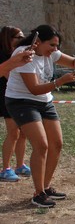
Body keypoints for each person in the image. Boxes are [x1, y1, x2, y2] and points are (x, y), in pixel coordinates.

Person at [5, 25, 75, 207]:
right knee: (41, 145)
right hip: (21, 101)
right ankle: (38, 193)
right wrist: (59, 82)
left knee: (56, 144)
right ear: (38, 42)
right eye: (52, 45)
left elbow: (72, 62)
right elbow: (33, 89)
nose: (55, 50)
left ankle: (46, 187)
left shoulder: (50, 53)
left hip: (44, 100)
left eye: (57, 46)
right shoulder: (25, 54)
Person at [0, 26, 30, 182]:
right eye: (19, 37)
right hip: (6, 97)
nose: (22, 39)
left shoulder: (16, 54)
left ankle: (20, 165)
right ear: (8, 38)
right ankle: (5, 169)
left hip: (17, 96)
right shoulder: (4, 56)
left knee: (23, 132)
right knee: (13, 133)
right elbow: (8, 76)